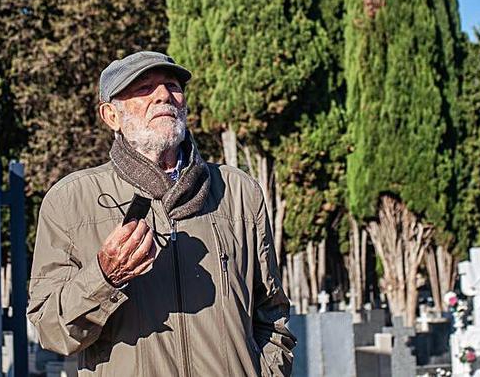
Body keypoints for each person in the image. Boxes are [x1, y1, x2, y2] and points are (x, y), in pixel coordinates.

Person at [28, 50, 295, 376]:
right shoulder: (70, 200)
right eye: (143, 88)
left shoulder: (239, 192)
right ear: (111, 115)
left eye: (172, 85)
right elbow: (51, 331)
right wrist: (104, 277)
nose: (164, 95)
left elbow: (273, 314)